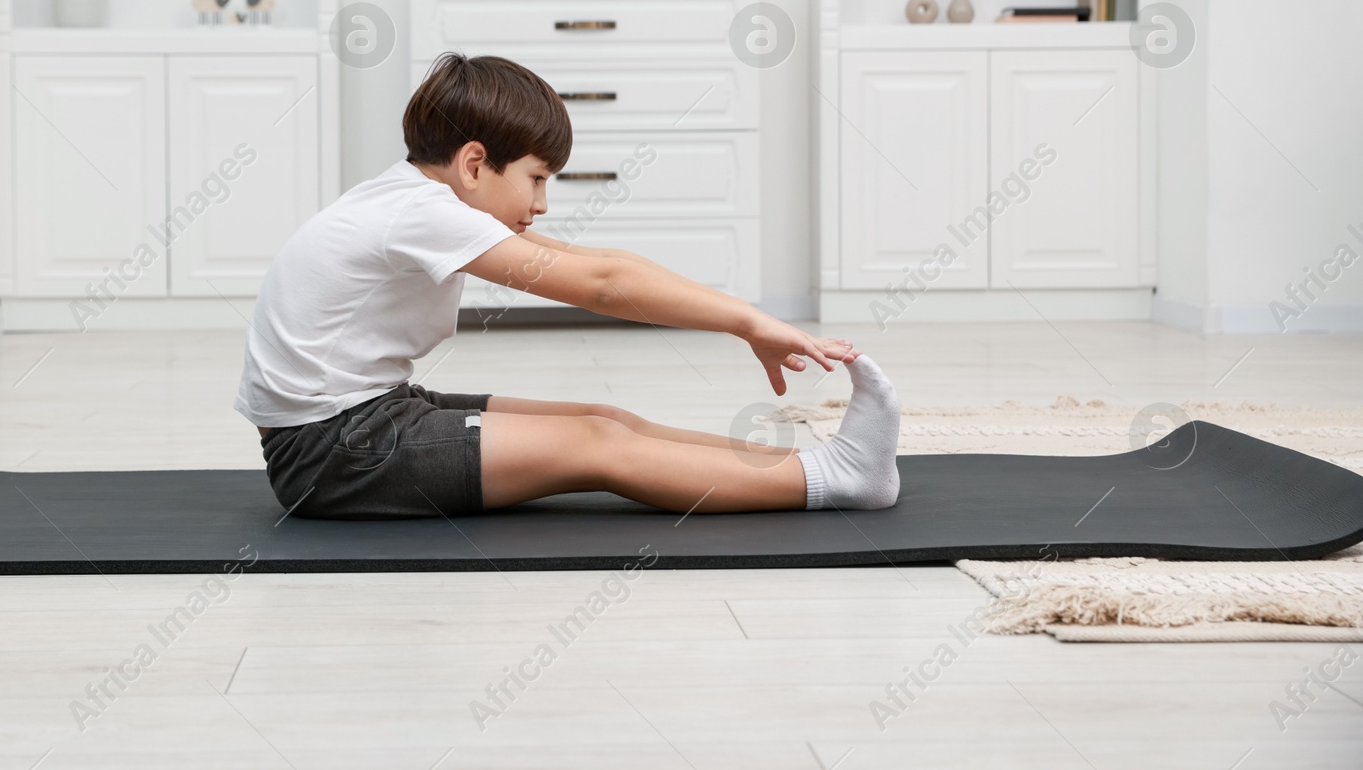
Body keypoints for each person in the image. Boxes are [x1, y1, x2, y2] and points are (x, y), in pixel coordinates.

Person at [239, 52, 902, 519]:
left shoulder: (411, 198)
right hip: (333, 453)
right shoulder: (419, 212)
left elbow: (600, 261)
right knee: (599, 447)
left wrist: (744, 313)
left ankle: (814, 465)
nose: (543, 201)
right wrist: (748, 323)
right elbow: (604, 286)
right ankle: (837, 480)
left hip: (372, 413)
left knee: (610, 419)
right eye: (535, 177)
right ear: (475, 163)